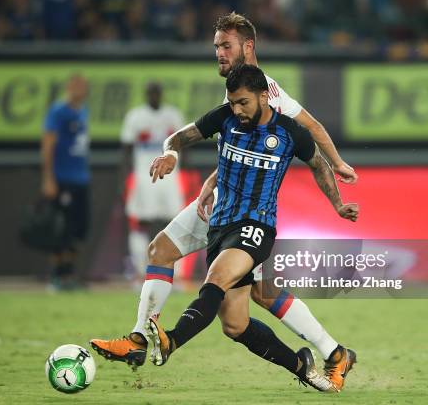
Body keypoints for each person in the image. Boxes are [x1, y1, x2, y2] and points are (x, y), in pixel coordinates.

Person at [91, 12, 357, 391]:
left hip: (250, 211)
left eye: (225, 45)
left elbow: (309, 130)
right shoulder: (234, 97)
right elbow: (229, 141)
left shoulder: (270, 93)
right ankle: (138, 340)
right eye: (216, 45)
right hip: (221, 204)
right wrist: (210, 176)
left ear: (248, 47)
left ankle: (331, 353)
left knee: (252, 293)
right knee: (165, 253)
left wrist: (338, 165)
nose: (218, 52)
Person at [145, 64, 359, 392]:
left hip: (256, 226)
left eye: (243, 102)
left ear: (263, 96)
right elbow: (178, 137)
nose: (237, 109)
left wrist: (338, 204)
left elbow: (319, 164)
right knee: (234, 324)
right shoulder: (224, 118)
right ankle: (303, 366)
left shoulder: (289, 132)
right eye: (232, 102)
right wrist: (171, 153)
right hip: (219, 225)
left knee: (215, 279)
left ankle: (171, 341)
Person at [120, 82, 185, 281]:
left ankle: (178, 273)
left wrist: (186, 172)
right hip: (145, 176)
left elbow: (184, 145)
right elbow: (126, 150)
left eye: (157, 92)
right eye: (151, 92)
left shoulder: (173, 115)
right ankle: (141, 271)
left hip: (170, 177)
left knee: (176, 222)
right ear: (146, 94)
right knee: (142, 222)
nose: (154, 95)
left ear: (161, 94)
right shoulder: (135, 117)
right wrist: (124, 179)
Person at [41, 74, 90, 291]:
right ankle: (56, 276)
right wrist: (49, 178)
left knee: (79, 227)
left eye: (83, 85)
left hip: (81, 178)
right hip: (63, 179)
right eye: (76, 85)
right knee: (61, 228)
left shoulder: (83, 111)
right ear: (68, 87)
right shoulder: (58, 111)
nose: (80, 89)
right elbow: (48, 144)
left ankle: (69, 274)